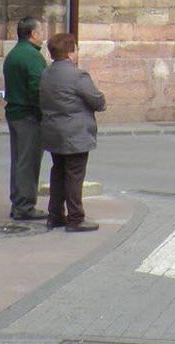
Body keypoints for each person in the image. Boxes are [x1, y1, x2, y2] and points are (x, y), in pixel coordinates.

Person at [39, 33, 106, 231]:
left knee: (58, 172)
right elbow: (97, 100)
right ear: (70, 53)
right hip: (74, 133)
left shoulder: (46, 73)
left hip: (53, 131)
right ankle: (76, 218)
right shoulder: (78, 75)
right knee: (75, 175)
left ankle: (55, 215)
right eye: (75, 49)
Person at [3, 17, 48, 220]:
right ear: (33, 34)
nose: (43, 35)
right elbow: (37, 89)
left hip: (15, 112)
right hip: (28, 115)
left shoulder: (13, 54)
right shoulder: (33, 57)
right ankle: (24, 206)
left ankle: (18, 202)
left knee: (19, 160)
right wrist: (44, 113)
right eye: (41, 31)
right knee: (28, 162)